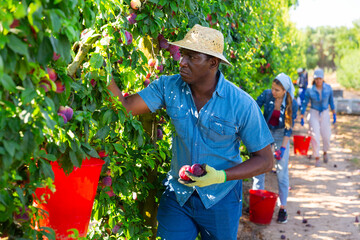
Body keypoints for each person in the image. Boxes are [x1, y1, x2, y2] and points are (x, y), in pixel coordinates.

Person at [107, 24, 274, 239]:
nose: (181, 62)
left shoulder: (241, 104)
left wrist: (221, 176)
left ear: (213, 63)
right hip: (179, 195)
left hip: (221, 198)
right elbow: (126, 107)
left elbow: (266, 160)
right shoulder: (168, 87)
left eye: (192, 57)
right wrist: (103, 72)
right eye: (183, 54)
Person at [252, 73, 298, 224]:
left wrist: (282, 149)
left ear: (285, 90)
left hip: (280, 134)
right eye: (272, 88)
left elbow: (288, 129)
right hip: (266, 131)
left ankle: (282, 208)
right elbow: (253, 107)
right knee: (259, 167)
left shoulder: (292, 103)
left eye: (277, 90)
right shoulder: (267, 95)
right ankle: (257, 201)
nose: (273, 92)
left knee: (281, 171)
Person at [300, 68, 336, 167]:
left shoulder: (328, 88)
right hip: (314, 112)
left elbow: (331, 101)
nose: (318, 81)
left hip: (324, 112)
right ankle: (317, 157)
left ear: (323, 79)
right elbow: (304, 103)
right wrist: (302, 116)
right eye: (316, 79)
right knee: (314, 135)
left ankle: (325, 152)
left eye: (320, 78)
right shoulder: (310, 90)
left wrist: (334, 113)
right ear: (314, 79)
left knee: (326, 135)